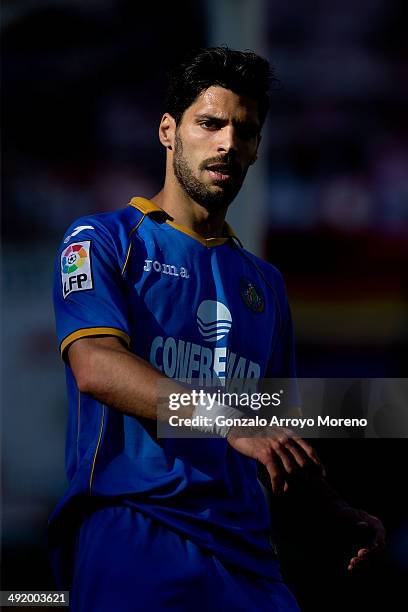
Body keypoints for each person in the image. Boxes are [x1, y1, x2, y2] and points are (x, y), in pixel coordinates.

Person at [49, 47, 385, 611]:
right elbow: (95, 366)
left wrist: (331, 510)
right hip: (137, 533)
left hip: (249, 559)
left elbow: (273, 436)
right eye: (210, 123)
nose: (228, 142)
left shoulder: (265, 284)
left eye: (245, 131)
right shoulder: (102, 240)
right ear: (168, 130)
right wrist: (227, 421)